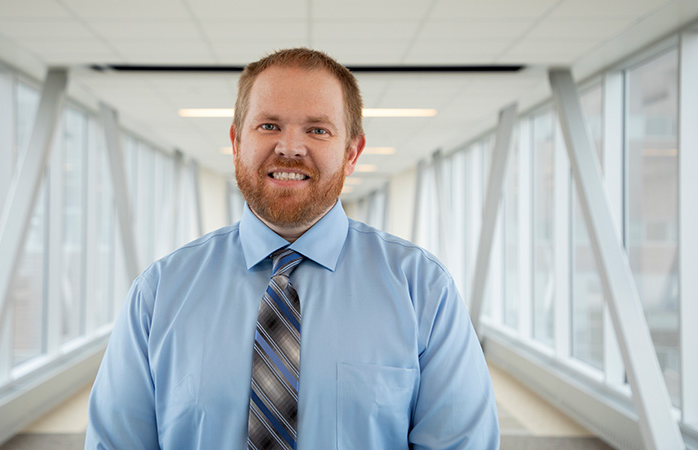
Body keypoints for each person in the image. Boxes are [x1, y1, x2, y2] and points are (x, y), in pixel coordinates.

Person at [85, 48, 499, 449]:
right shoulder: (158, 293)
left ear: (352, 152)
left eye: (317, 130)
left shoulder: (423, 290)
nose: (290, 147)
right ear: (235, 142)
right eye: (269, 126)